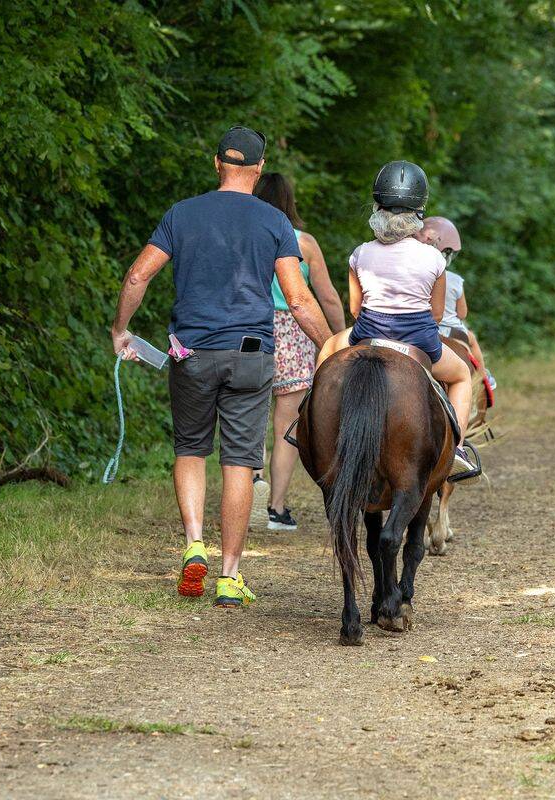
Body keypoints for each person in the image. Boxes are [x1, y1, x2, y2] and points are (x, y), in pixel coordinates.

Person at [111, 126, 332, 608]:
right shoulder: (275, 221)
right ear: (259, 167)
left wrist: (121, 330)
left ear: (217, 164)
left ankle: (194, 545)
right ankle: (229, 577)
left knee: (190, 449)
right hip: (251, 356)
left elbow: (138, 275)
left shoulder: (182, 213)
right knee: (239, 462)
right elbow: (297, 299)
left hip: (191, 354)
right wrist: (331, 346)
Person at [317, 160, 478, 477]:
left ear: (378, 207)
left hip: (369, 333)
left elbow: (355, 309)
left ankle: (308, 422)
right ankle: (457, 450)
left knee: (326, 351)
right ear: (419, 211)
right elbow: (435, 313)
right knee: (461, 376)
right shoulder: (433, 257)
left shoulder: (361, 252)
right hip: (418, 338)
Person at [248, 173, 345, 531]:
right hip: (294, 332)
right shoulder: (304, 242)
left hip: (251, 328)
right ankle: (276, 508)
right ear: (290, 202)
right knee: (286, 423)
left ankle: (252, 484)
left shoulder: (246, 236)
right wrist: (338, 338)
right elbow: (328, 296)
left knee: (250, 414)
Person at [418, 216, 494, 391]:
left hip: (418, 326)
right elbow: (462, 314)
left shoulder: (414, 274)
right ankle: (484, 376)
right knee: (471, 339)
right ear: (446, 252)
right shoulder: (455, 280)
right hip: (449, 330)